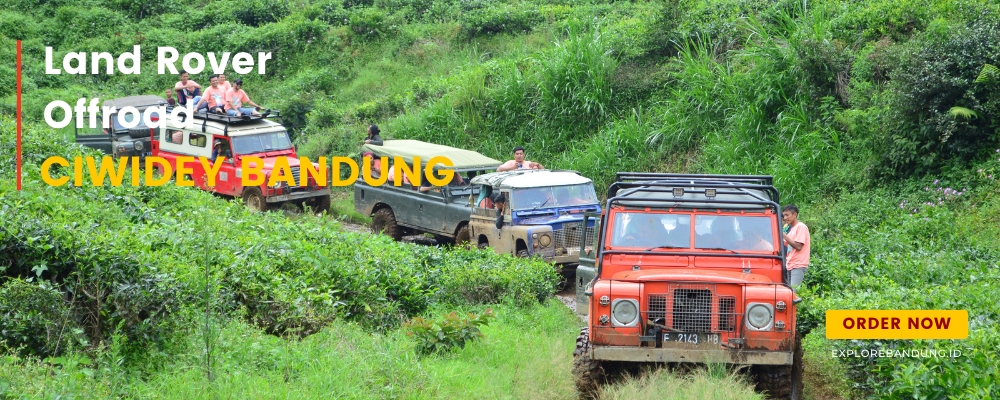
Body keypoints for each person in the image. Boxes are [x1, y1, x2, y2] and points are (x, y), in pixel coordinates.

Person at [782, 205, 810, 289]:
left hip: (798, 264)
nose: (785, 217)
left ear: (795, 215)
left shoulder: (801, 227)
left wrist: (785, 236)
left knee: (793, 293)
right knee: (789, 292)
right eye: (784, 215)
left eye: (787, 215)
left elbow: (798, 246)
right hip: (790, 264)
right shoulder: (791, 229)